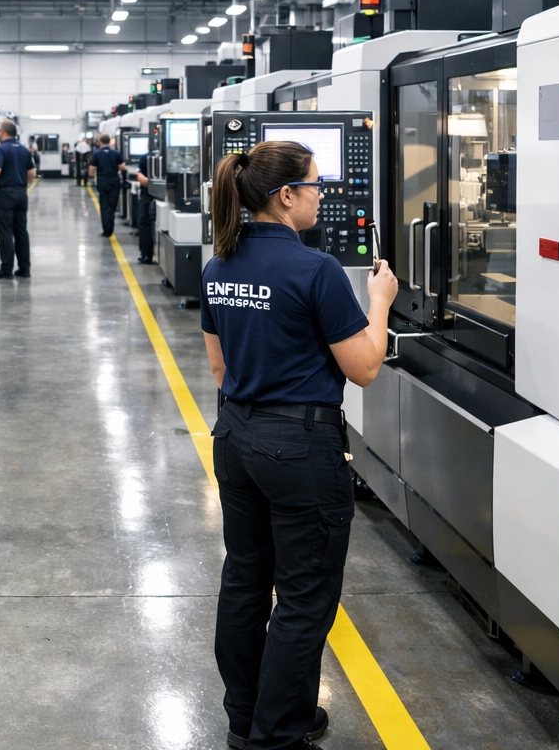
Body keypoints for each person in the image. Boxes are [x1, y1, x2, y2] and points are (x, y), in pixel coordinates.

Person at [202, 140, 396, 750]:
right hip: (299, 447)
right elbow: (364, 366)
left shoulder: (218, 266)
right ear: (286, 196)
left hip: (235, 436)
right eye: (315, 185)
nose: (321, 195)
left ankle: (246, 717)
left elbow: (219, 368)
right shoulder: (315, 271)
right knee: (306, 596)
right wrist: (381, 303)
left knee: (246, 581)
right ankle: (277, 734)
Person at [0, 119, 35, 278]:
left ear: (2, 132)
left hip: (4, 195)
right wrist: (22, 186)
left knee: (5, 232)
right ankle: (24, 268)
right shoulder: (23, 150)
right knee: (21, 231)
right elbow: (32, 173)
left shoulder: (1, 150)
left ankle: (6, 269)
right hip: (21, 194)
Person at [88, 133, 124, 236]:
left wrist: (96, 175)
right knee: (112, 206)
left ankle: (106, 230)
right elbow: (122, 167)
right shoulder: (116, 153)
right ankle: (110, 228)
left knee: (104, 206)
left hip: (102, 181)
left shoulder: (96, 154)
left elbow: (91, 171)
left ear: (100, 142)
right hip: (114, 181)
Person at [131, 149, 156, 264]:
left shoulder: (146, 157)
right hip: (155, 194)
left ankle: (146, 254)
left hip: (147, 195)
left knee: (144, 222)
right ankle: (148, 253)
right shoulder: (148, 157)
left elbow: (139, 175)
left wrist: (148, 183)